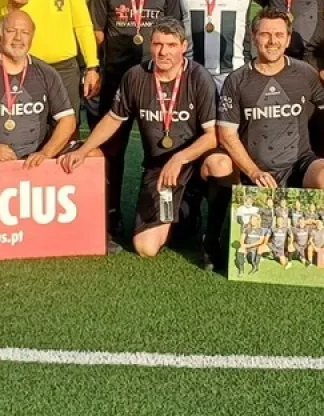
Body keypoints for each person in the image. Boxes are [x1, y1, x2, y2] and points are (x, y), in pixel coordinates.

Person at [69, 18, 227, 263]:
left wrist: (181, 157)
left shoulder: (199, 77)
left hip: (194, 162)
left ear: (183, 46)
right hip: (158, 167)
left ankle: (212, 237)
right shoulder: (136, 76)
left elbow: (212, 136)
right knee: (146, 247)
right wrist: (85, 148)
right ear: (150, 45)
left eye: (171, 45)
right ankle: (186, 211)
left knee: (221, 164)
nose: (163, 51)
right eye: (157, 44)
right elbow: (113, 119)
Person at [90, 0, 184, 237]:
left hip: (157, 79)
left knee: (162, 149)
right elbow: (98, 34)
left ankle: (170, 216)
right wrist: (98, 69)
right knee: (112, 150)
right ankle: (110, 215)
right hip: (118, 77)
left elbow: (173, 33)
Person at [215, 10, 324, 195]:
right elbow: (226, 135)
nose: (273, 41)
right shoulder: (236, 80)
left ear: (288, 39)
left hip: (300, 164)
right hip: (255, 169)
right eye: (265, 34)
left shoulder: (305, 73)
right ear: (254, 37)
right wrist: (253, 172)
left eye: (279, 35)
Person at [0, 10, 78, 163]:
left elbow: (67, 120)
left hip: (35, 158)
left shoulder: (46, 72)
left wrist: (46, 153)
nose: (18, 38)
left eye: (25, 33)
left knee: (94, 153)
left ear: (32, 38)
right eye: (11, 31)